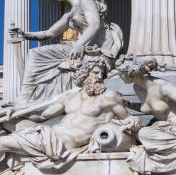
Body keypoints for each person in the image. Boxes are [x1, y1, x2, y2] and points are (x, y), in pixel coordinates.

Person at [0, 57, 136, 172]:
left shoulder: (109, 97)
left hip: (60, 143)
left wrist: (133, 121)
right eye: (95, 73)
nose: (99, 77)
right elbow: (42, 116)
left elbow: (128, 121)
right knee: (4, 123)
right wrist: (15, 112)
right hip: (46, 134)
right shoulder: (70, 97)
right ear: (85, 73)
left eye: (102, 74)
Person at [12, 0, 122, 105]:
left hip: (97, 47)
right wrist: (25, 34)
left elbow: (94, 25)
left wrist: (79, 45)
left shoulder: (85, 1)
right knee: (34, 54)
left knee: (36, 55)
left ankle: (25, 97)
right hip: (82, 45)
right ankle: (27, 95)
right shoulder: (70, 12)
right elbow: (50, 33)